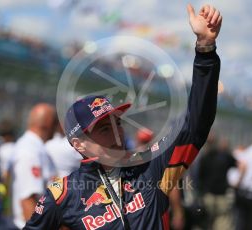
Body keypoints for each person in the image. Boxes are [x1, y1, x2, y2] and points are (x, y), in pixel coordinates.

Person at [24, 4, 222, 229]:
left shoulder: (149, 167)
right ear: (79, 144)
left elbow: (195, 121)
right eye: (104, 129)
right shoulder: (64, 195)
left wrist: (205, 49)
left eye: (117, 123)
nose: (118, 134)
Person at [11, 103, 58, 229]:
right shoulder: (30, 150)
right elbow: (28, 199)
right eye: (56, 122)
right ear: (48, 123)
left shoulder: (36, 148)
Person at [197, 136, 237, 230]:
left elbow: (199, 177)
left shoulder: (204, 158)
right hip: (221, 196)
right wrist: (236, 184)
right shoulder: (225, 157)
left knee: (204, 223)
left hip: (208, 196)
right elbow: (240, 165)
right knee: (222, 223)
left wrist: (200, 193)